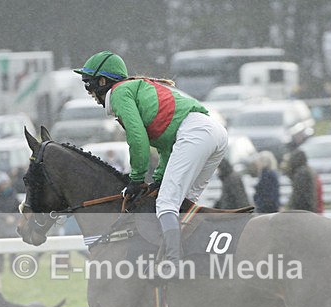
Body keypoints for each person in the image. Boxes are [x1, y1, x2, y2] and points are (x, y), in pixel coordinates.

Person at [74, 50, 228, 268]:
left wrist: (136, 178)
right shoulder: (133, 90)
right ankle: (196, 257)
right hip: (214, 133)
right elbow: (167, 146)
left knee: (166, 203)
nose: (89, 92)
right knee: (185, 201)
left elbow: (137, 139)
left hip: (197, 133)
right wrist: (157, 179)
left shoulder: (119, 93)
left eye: (88, 84)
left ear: (102, 81)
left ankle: (172, 263)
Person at [0, 178, 21, 271]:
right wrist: (5, 217)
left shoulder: (13, 196)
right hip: (0, 228)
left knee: (13, 250)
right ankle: (0, 269)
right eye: (3, 184)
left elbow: (18, 209)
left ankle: (14, 269)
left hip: (12, 228)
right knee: (0, 251)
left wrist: (14, 217)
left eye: (6, 183)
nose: (5, 186)